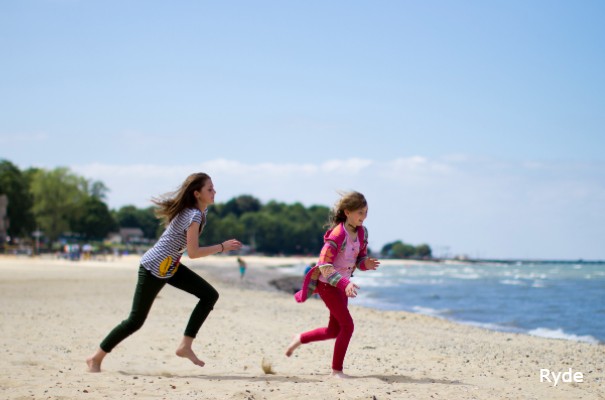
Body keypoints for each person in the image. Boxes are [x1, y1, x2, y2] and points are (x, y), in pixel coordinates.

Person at [86, 173, 242, 372]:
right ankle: (95, 358)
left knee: (209, 295)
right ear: (197, 194)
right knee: (135, 321)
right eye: (209, 189)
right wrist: (222, 247)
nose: (214, 192)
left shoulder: (200, 213)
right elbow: (193, 253)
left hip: (170, 266)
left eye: (214, 188)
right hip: (153, 267)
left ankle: (185, 346)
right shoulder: (194, 215)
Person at [285, 191, 380, 378]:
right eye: (360, 212)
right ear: (347, 212)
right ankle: (337, 371)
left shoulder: (362, 232)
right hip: (327, 286)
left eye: (366, 212)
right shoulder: (337, 234)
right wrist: (345, 283)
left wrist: (365, 264)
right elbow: (324, 265)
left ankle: (300, 338)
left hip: (342, 286)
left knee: (334, 330)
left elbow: (359, 258)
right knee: (348, 326)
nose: (364, 217)